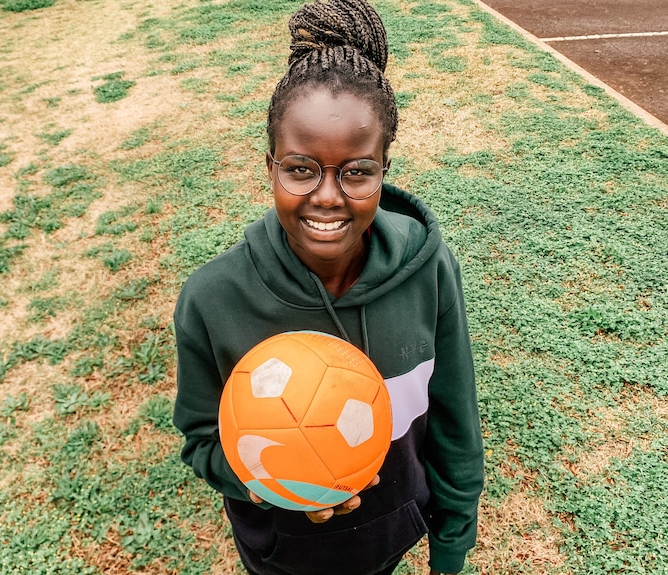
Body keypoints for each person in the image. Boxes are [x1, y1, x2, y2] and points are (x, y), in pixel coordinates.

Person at [172, 1, 484, 573]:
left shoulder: (429, 269)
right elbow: (199, 437)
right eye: (300, 168)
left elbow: (455, 415)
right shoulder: (212, 300)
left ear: (383, 168)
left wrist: (452, 543)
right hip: (280, 553)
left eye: (356, 171)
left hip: (394, 534)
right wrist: (266, 484)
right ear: (270, 167)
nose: (328, 196)